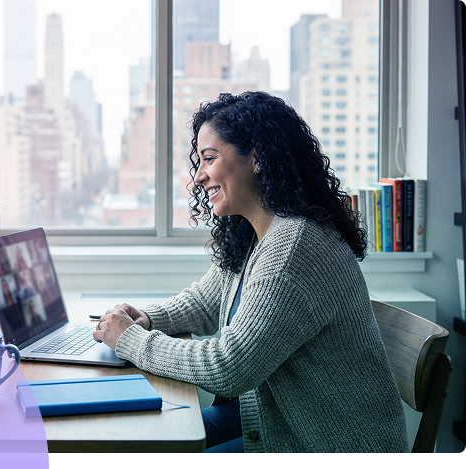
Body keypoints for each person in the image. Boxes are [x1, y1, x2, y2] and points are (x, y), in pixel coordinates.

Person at [92, 91, 409, 453]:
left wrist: (131, 339)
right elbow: (206, 302)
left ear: (257, 157)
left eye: (209, 158)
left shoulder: (294, 248)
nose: (198, 177)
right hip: (281, 419)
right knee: (148, 440)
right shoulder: (256, 232)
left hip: (327, 442)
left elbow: (228, 368)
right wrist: (146, 318)